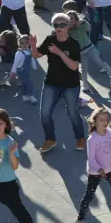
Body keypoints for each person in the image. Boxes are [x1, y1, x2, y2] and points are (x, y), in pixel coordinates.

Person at [32, 13, 85, 153]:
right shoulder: (50, 40)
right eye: (56, 25)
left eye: (62, 25)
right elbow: (37, 55)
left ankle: (80, 138)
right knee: (44, 113)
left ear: (68, 27)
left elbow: (74, 67)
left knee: (72, 113)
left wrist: (60, 53)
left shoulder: (73, 43)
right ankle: (50, 139)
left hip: (70, 85)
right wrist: (33, 45)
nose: (59, 28)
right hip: (51, 83)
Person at [72, 107, 111, 223]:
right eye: (101, 120)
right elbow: (91, 158)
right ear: (94, 122)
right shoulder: (92, 139)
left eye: (106, 120)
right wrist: (99, 168)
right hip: (95, 172)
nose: (105, 122)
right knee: (89, 195)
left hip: (108, 168)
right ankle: (79, 222)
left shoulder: (108, 133)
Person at [62, 3, 111, 99]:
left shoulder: (81, 25)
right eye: (68, 19)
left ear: (76, 19)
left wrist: (82, 22)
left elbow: (89, 28)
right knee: (84, 68)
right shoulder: (68, 31)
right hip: (81, 52)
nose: (70, 21)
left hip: (90, 47)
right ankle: (85, 85)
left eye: (72, 18)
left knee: (99, 62)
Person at [10, 33, 37, 103]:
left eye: (26, 42)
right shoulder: (19, 53)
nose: (24, 45)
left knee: (24, 84)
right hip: (21, 71)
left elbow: (32, 59)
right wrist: (13, 72)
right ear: (19, 44)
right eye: (22, 43)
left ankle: (25, 96)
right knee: (29, 83)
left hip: (27, 71)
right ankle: (32, 96)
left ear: (29, 43)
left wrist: (34, 66)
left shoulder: (29, 51)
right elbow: (15, 63)